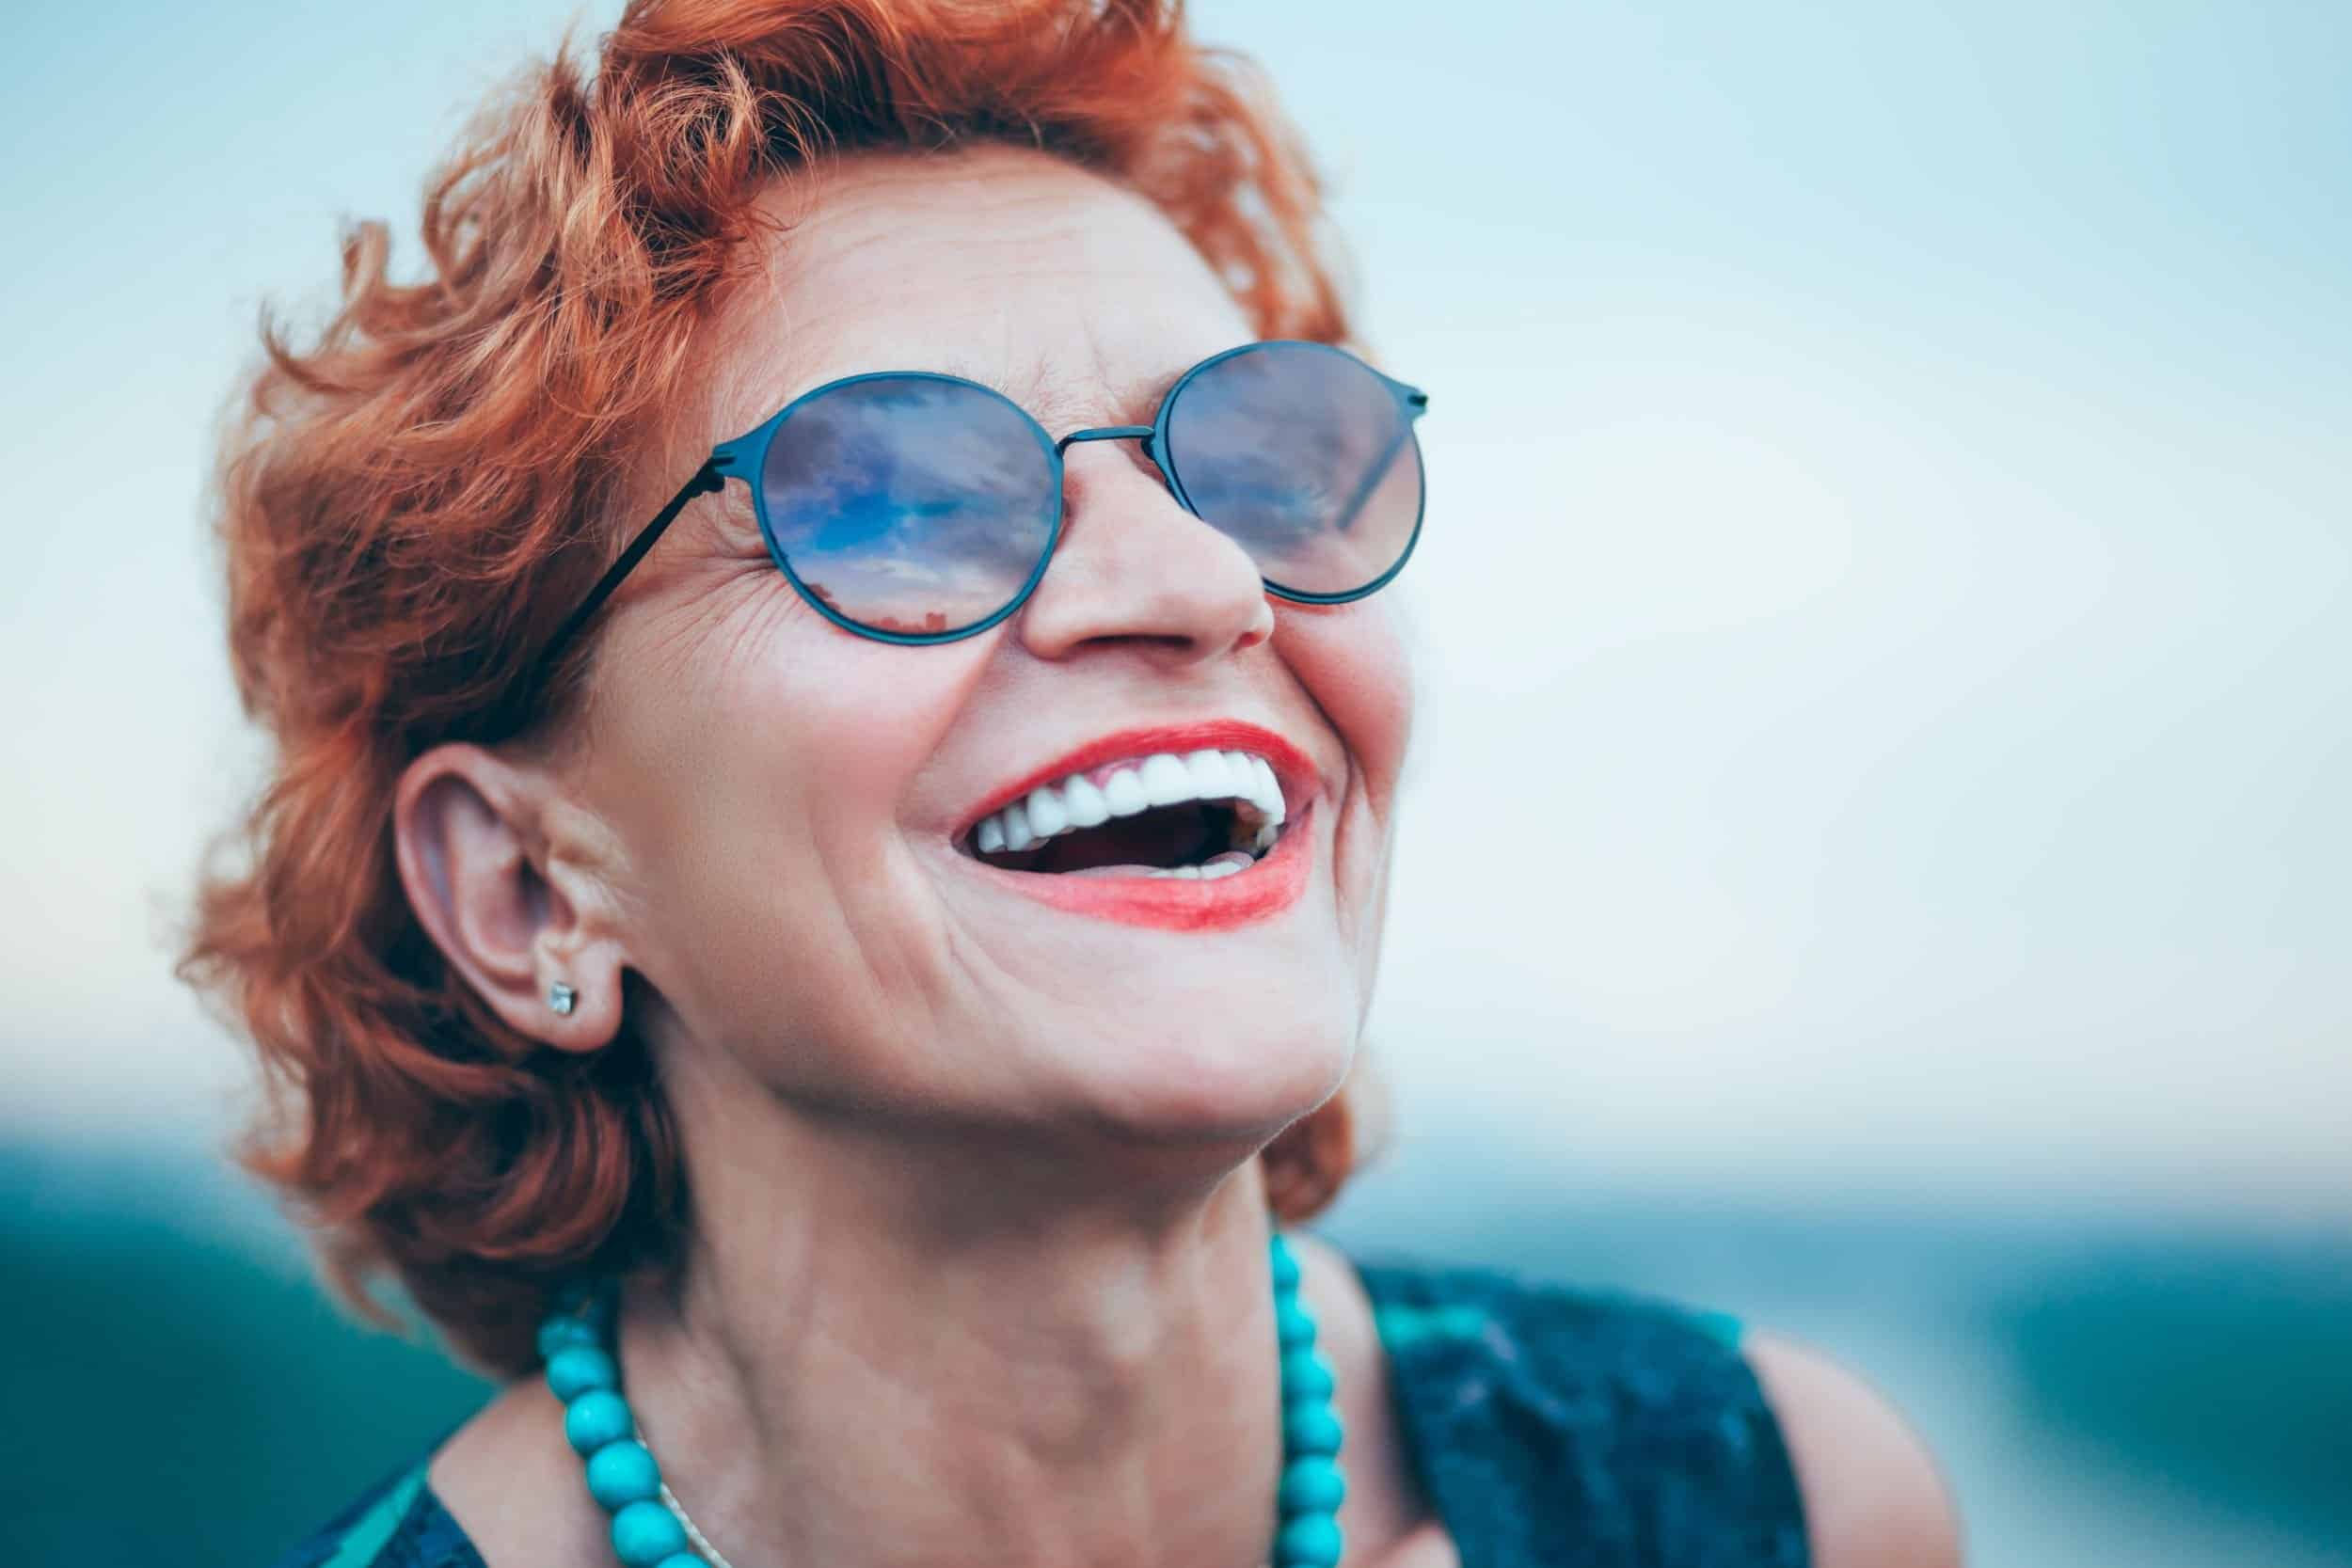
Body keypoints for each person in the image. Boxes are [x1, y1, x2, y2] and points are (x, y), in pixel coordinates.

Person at [183, 3, 1961, 1565]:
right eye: (890, 499)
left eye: (1260, 460)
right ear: (528, 890)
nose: (1199, 582)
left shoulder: (1777, 1511)